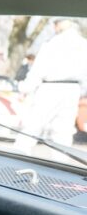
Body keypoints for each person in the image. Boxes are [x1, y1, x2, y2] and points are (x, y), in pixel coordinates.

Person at [14, 19, 87, 155]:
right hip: (73, 91)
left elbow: (37, 71)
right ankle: (61, 167)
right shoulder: (83, 44)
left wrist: (24, 88)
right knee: (63, 133)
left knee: (32, 127)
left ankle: (16, 157)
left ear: (61, 23)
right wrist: (82, 91)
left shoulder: (52, 43)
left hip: (50, 89)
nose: (54, 27)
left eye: (55, 23)